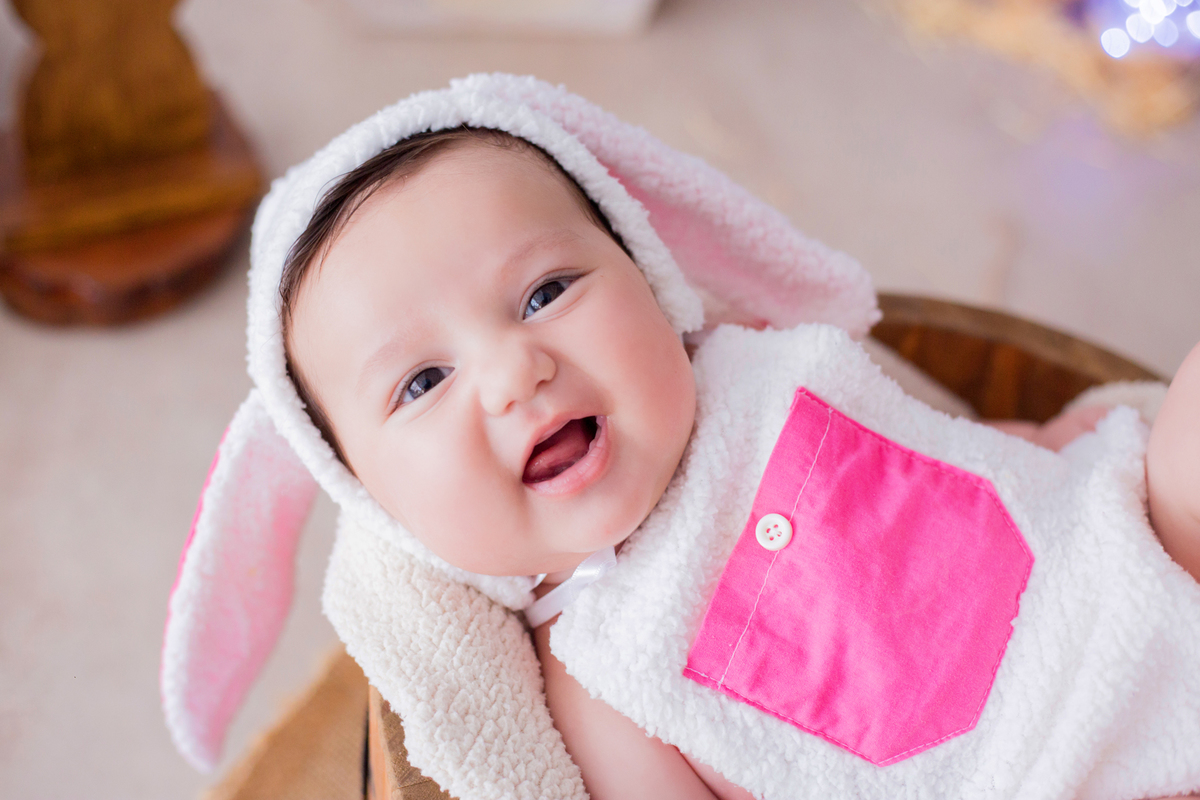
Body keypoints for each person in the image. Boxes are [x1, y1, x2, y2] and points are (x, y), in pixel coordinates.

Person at [161, 76, 1200, 800]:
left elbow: (959, 460)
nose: (515, 369)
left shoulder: (768, 371)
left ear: (655, 282)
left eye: (547, 290)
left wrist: (1073, 447)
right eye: (423, 380)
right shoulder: (597, 670)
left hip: (1120, 591)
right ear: (385, 505)